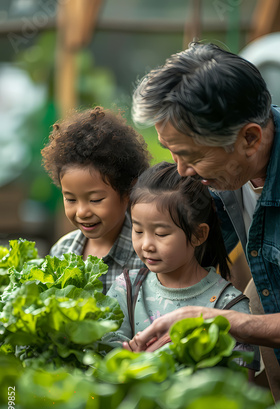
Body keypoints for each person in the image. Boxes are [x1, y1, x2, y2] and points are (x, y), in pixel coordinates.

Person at [127, 41, 280, 359]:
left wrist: (223, 319)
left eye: (191, 156)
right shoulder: (226, 171)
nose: (182, 170)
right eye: (170, 150)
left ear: (249, 138)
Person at [105, 162, 259, 373]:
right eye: (138, 231)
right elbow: (106, 356)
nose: (146, 245)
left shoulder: (228, 304)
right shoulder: (127, 288)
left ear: (198, 234)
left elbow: (240, 380)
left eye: (161, 234)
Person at [41, 106, 151, 293]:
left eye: (95, 200)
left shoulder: (146, 255)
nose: (82, 212)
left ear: (128, 191)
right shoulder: (62, 251)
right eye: (71, 199)